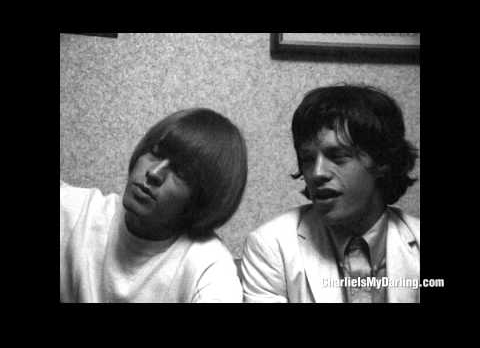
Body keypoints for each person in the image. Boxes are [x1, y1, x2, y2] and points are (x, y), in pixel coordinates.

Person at [240, 84, 420, 303]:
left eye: (337, 156)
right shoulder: (271, 246)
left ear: (382, 161)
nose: (316, 173)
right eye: (307, 160)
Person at [60, 108, 247, 303]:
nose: (154, 173)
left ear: (202, 198)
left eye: (181, 172)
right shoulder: (77, 212)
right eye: (155, 154)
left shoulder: (208, 265)